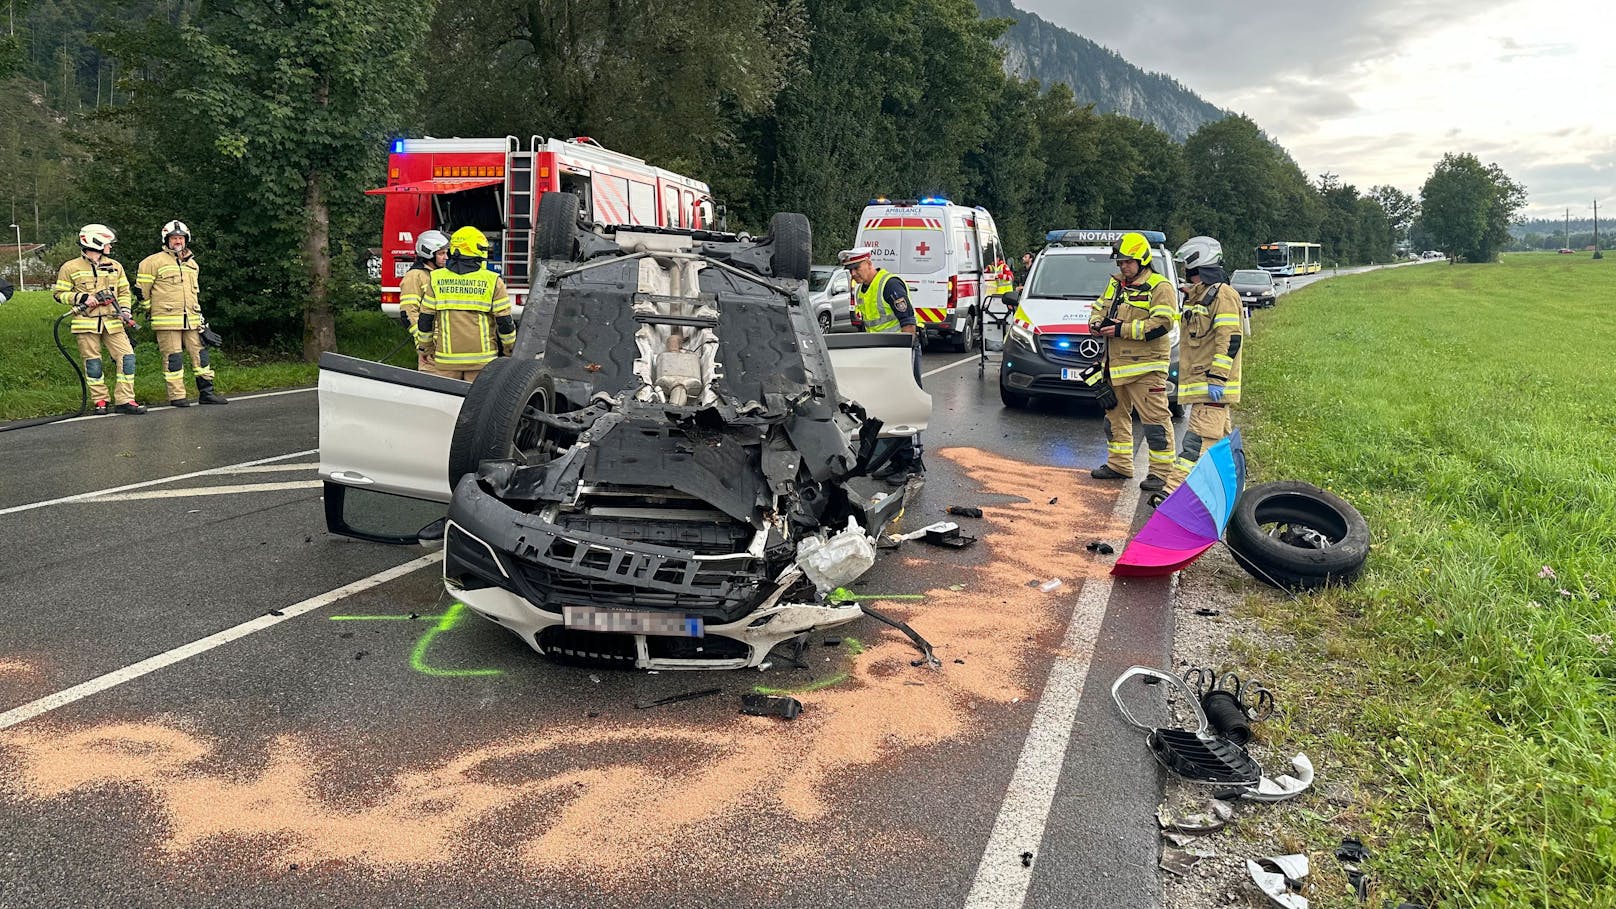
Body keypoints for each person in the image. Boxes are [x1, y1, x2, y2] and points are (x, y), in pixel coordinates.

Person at [1089, 231, 1176, 490]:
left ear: (1142, 260)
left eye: (1128, 261)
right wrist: (1095, 323)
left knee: (1155, 422)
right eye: (1120, 262)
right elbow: (1099, 307)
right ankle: (1119, 464)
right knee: (1114, 417)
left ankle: (1161, 474)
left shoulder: (1160, 287)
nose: (1123, 266)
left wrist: (1120, 329)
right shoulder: (1116, 284)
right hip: (1115, 364)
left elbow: (1162, 324)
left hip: (1146, 368)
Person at [1163, 236, 1242, 494]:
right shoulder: (1203, 296)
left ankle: (1172, 495)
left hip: (1211, 387)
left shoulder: (1223, 296)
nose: (1186, 274)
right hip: (1204, 387)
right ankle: (1226, 495)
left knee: (1194, 446)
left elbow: (1230, 339)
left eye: (1188, 269)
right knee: (1220, 447)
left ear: (1198, 268)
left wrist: (1217, 378)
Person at [838, 246, 924, 476]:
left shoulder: (889, 284)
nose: (853, 274)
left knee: (907, 406)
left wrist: (902, 358)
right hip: (882, 357)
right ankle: (896, 460)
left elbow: (908, 323)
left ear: (868, 262)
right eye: (850, 271)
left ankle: (912, 463)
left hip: (901, 354)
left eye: (856, 268)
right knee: (887, 409)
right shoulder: (862, 291)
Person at [53, 224, 145, 415]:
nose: (110, 247)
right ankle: (100, 400)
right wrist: (82, 298)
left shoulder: (115, 266)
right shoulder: (70, 267)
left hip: (113, 322)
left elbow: (124, 292)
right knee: (93, 363)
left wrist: (126, 311)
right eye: (108, 244)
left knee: (127, 357)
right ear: (96, 242)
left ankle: (125, 400)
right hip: (85, 323)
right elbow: (58, 294)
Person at [135, 220, 227, 407]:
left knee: (201, 355)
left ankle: (206, 393)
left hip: (192, 319)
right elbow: (142, 291)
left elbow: (194, 295)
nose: (178, 241)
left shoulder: (192, 264)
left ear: (186, 240)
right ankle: (177, 396)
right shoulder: (152, 262)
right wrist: (149, 310)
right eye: (174, 238)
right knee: (173, 358)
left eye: (181, 238)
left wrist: (201, 320)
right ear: (166, 240)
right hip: (167, 320)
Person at [413, 227, 514, 381]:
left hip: (446, 362)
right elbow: (505, 323)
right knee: (477, 404)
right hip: (482, 362)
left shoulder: (436, 279)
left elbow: (426, 320)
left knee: (446, 402)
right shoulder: (493, 281)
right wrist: (509, 350)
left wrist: (425, 348)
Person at [399, 229, 449, 372]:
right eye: (441, 253)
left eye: (446, 253)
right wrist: (424, 340)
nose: (446, 257)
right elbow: (408, 313)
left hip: (446, 343)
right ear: (428, 254)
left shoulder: (440, 275)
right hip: (429, 347)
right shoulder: (415, 276)